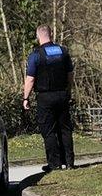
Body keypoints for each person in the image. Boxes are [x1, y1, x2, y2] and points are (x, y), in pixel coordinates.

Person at [22, 25, 75, 171]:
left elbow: (30, 79)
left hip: (45, 97)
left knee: (49, 131)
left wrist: (26, 98)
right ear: (51, 34)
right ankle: (69, 162)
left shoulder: (35, 55)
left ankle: (54, 164)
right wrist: (68, 90)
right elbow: (70, 74)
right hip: (62, 94)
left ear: (38, 36)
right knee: (65, 129)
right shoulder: (63, 52)